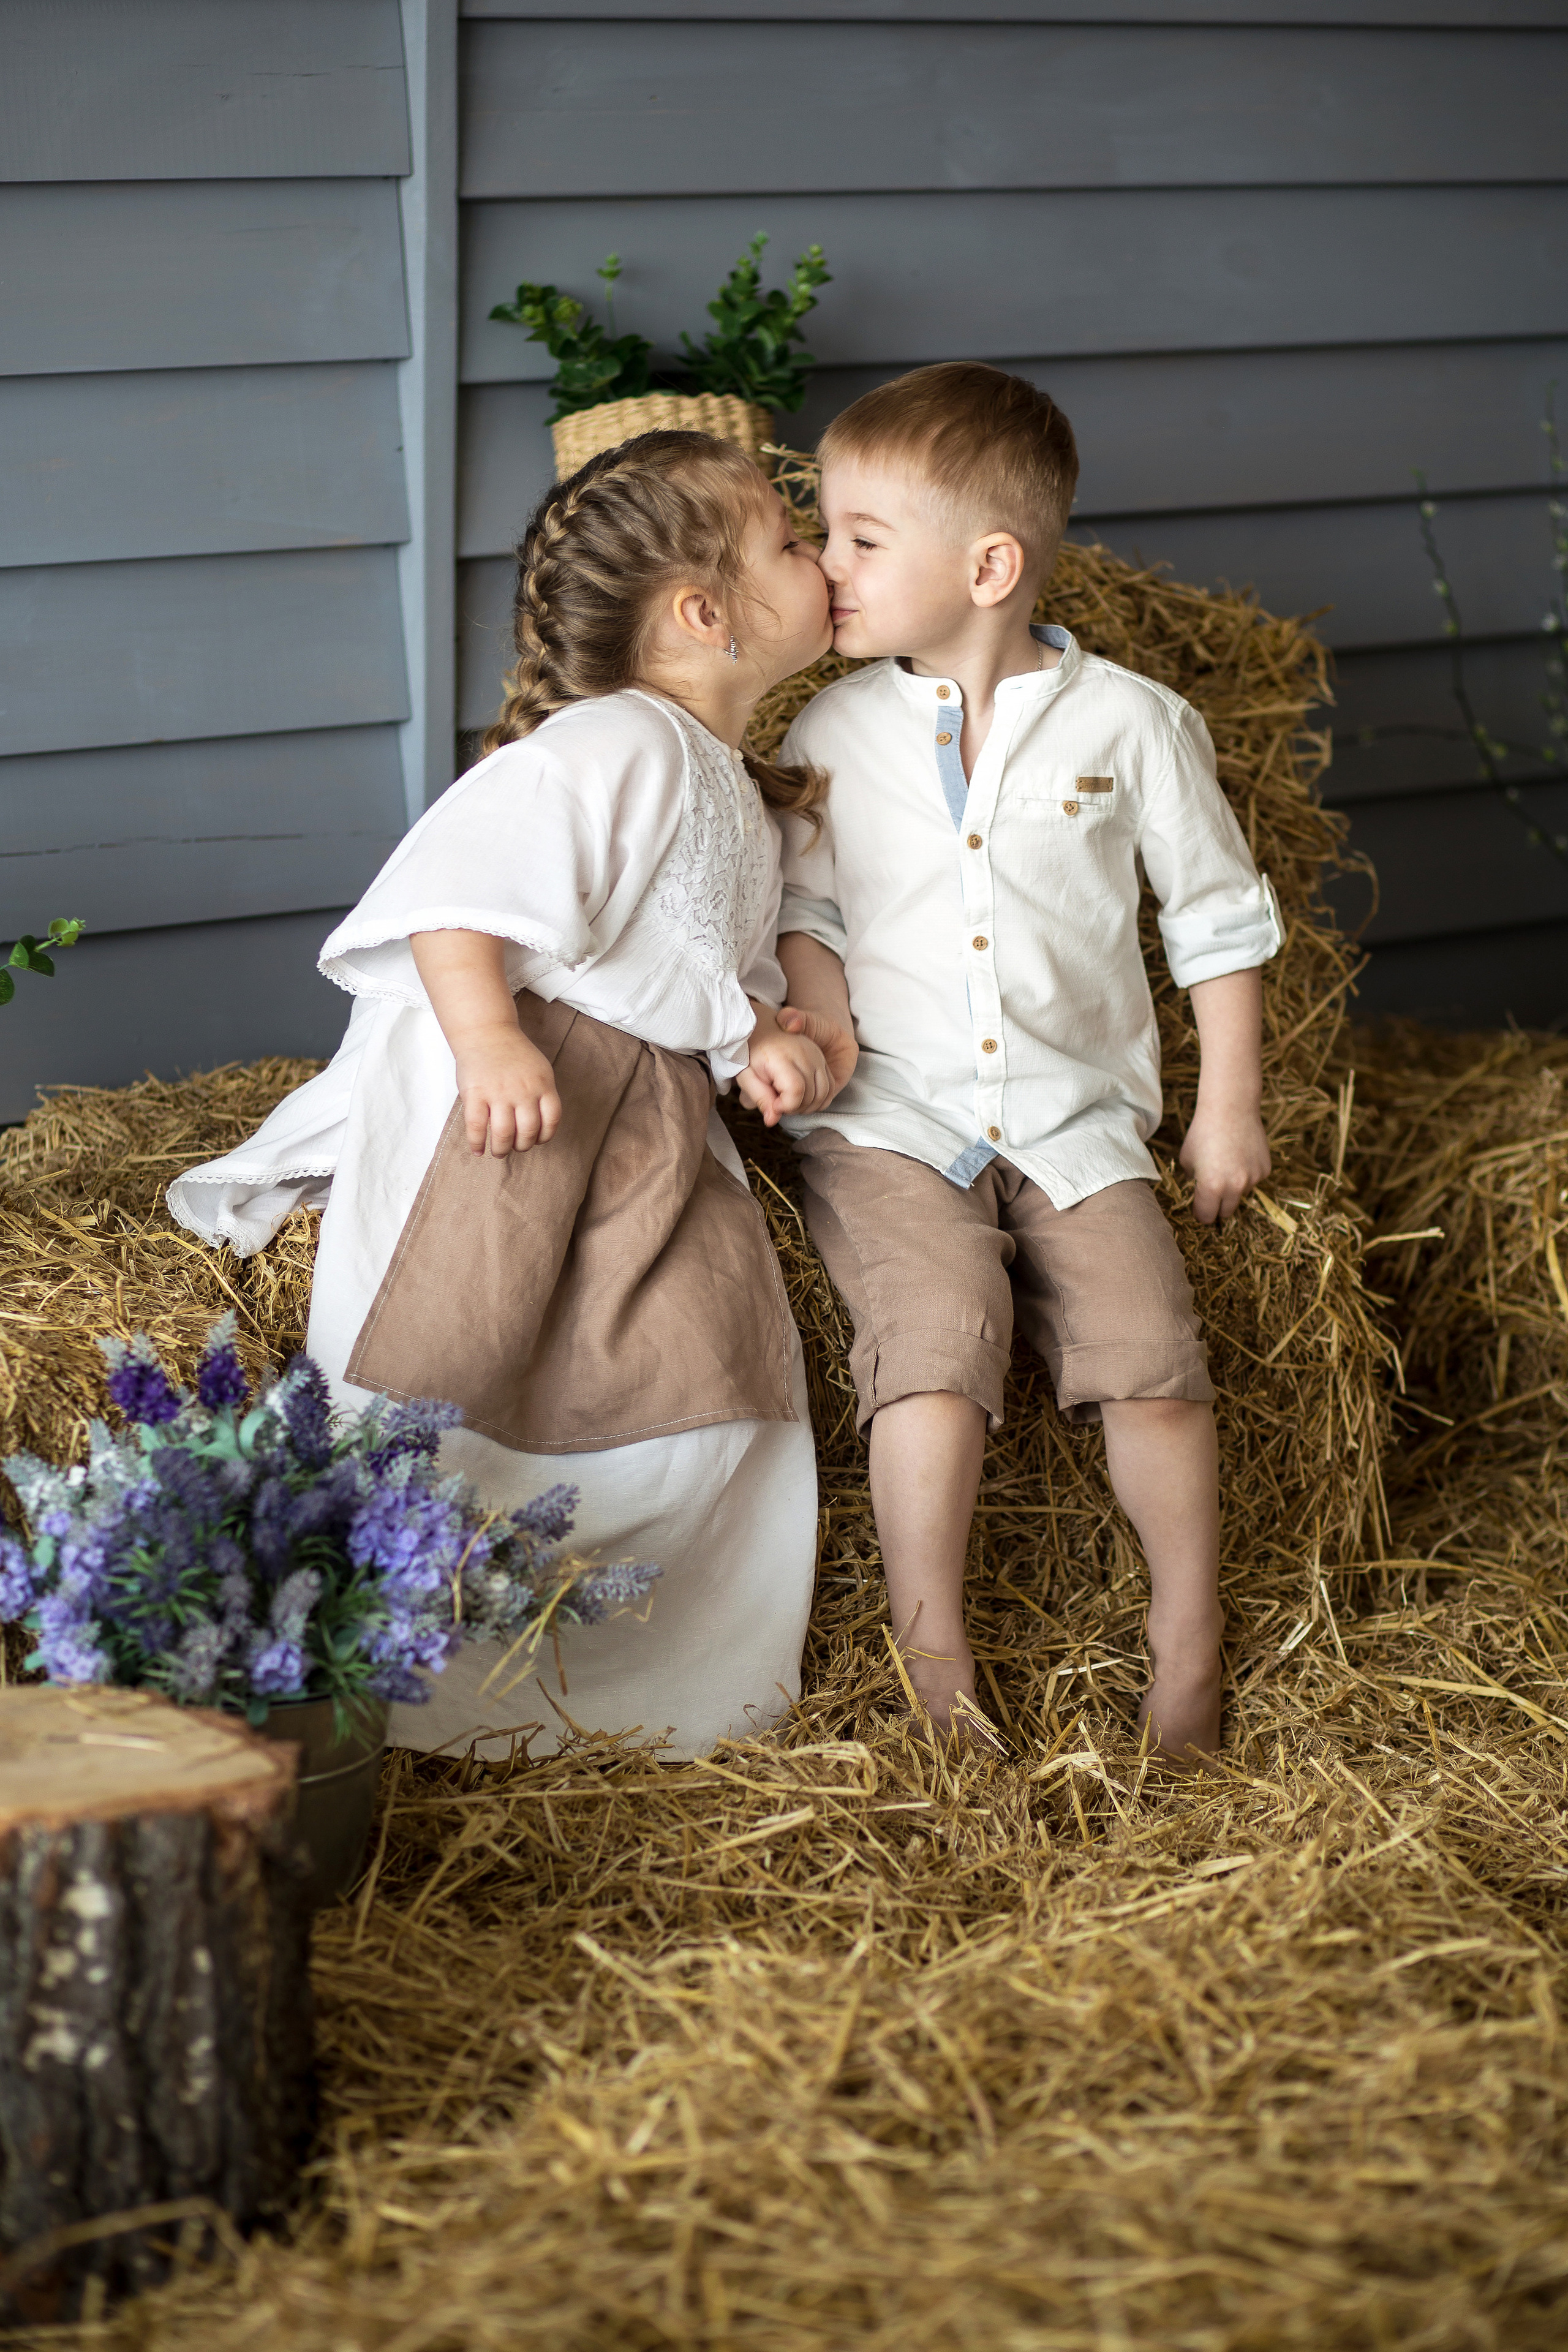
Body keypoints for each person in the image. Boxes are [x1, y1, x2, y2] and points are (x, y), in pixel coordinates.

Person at [170, 431, 855, 1761]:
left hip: (648, 1121)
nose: (819, 554)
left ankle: (648, 1684)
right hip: (531, 1093)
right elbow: (454, 896)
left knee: (707, 1369)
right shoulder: (617, 740)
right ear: (702, 613)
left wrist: (762, 1047)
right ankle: (416, 1672)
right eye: (791, 540)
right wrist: (490, 1042)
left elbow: (714, 980)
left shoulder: (736, 787)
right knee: (453, 1357)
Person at [772, 363, 1283, 1766]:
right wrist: (820, 1025)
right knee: (935, 1353)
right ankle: (933, 1663)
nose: (826, 564)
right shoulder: (829, 731)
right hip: (888, 1120)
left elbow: (1215, 919)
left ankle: (1187, 1643)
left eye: (861, 539)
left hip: (1075, 1123)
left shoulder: (1133, 724)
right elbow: (807, 914)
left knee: (1153, 1365)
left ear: (987, 567)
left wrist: (1225, 1110)